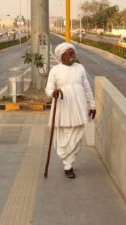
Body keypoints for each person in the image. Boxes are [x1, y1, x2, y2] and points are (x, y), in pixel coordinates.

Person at [45, 42, 96, 179]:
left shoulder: (80, 68)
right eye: (70, 53)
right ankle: (67, 164)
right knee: (64, 135)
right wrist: (53, 93)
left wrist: (93, 105)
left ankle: (69, 165)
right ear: (62, 56)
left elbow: (87, 88)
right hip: (63, 107)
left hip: (79, 107)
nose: (73, 56)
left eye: (73, 53)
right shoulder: (55, 70)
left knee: (77, 136)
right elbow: (48, 89)